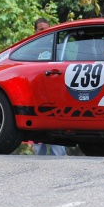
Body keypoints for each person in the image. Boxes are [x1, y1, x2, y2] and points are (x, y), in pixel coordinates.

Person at [31, 18, 67, 156]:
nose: (45, 32)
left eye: (47, 29)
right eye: (41, 29)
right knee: (38, 141)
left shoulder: (58, 49)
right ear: (35, 31)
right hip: (37, 99)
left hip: (55, 98)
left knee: (57, 140)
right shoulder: (29, 49)